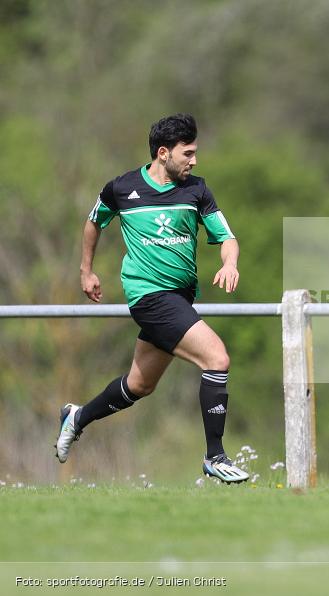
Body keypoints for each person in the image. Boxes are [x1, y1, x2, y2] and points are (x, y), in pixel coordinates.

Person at [55, 113, 249, 484]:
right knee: (217, 357)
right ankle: (215, 456)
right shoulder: (122, 188)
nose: (194, 161)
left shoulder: (198, 190)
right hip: (149, 297)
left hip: (179, 299)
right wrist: (86, 270)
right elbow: (94, 221)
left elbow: (227, 237)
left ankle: (76, 417)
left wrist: (231, 262)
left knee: (138, 386)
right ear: (164, 153)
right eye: (187, 153)